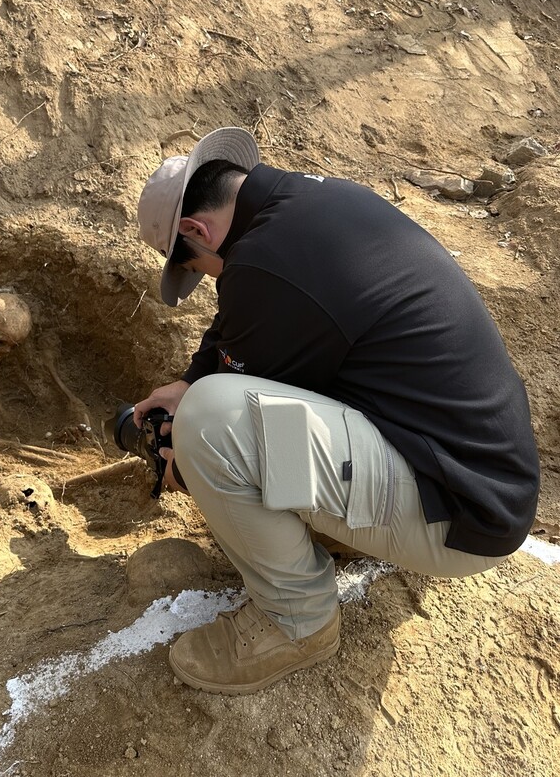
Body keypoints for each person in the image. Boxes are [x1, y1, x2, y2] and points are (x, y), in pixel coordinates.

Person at [133, 127, 540, 696]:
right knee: (213, 402)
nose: (206, 278)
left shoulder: (264, 265)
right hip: (477, 475)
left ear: (195, 231)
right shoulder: (313, 207)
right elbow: (248, 321)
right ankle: (345, 532)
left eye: (197, 268)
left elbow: (240, 379)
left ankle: (295, 620)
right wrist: (189, 378)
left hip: (456, 515)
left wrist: (188, 440)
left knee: (210, 422)